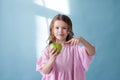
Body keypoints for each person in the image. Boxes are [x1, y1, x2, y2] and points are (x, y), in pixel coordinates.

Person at [36, 14, 95, 80]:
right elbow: (44, 71)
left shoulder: (74, 48)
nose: (60, 31)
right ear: (52, 30)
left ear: (69, 31)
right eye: (57, 28)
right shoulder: (48, 50)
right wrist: (51, 59)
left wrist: (82, 39)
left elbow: (92, 52)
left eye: (64, 28)